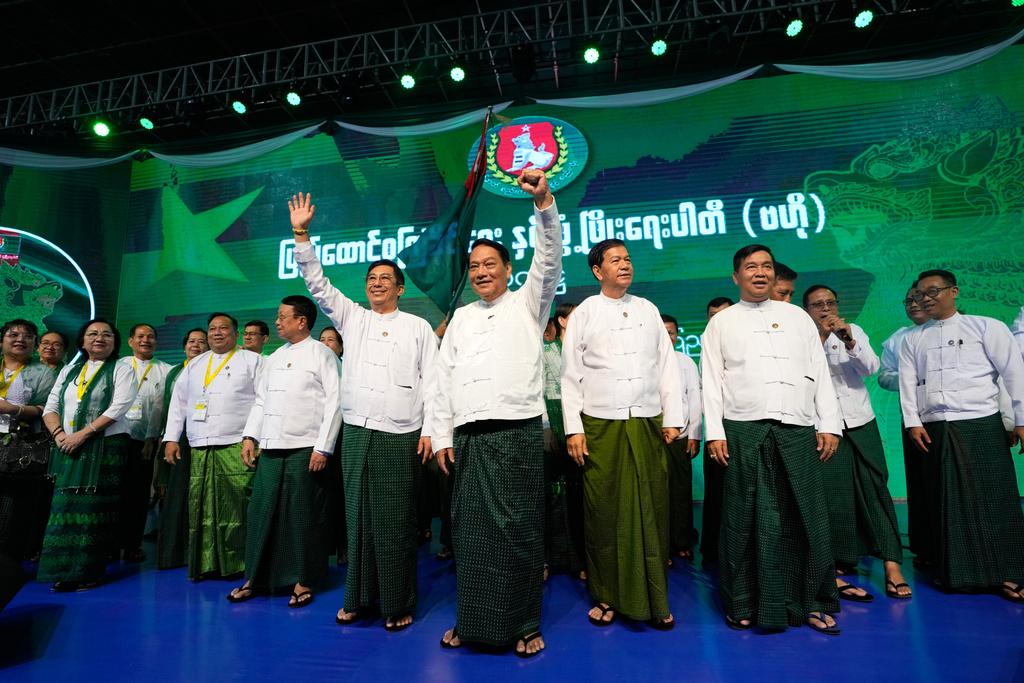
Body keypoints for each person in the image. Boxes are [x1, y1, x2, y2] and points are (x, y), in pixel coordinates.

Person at [289, 192, 438, 632]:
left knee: (396, 522)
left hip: (402, 433)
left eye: (385, 278)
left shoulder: (418, 327)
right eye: (371, 278)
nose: (376, 283)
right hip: (356, 431)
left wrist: (430, 429)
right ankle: (357, 598)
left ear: (400, 288)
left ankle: (396, 601)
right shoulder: (352, 317)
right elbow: (317, 284)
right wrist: (301, 234)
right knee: (357, 519)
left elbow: (433, 383)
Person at [433, 168, 561, 658]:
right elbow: (442, 381)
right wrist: (442, 437)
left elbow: (548, 257)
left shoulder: (528, 304)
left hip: (516, 433)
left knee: (518, 529)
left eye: (491, 264)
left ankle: (524, 623)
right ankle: (472, 621)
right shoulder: (461, 318)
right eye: (475, 266)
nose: (482, 271)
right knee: (469, 534)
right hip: (467, 438)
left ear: (508, 269)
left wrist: (543, 204)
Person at [701, 245, 842, 634]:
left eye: (766, 266)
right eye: (751, 267)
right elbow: (711, 380)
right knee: (743, 519)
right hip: (743, 429)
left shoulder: (797, 318)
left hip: (797, 428)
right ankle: (743, 602)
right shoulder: (722, 322)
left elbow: (819, 371)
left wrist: (829, 423)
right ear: (737, 277)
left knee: (805, 516)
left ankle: (810, 600)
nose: (760, 272)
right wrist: (715, 432)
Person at [561, 240, 683, 632]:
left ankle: (655, 598)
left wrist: (673, 417)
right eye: (615, 260)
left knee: (651, 508)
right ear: (598, 271)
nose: (625, 265)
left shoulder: (647, 309)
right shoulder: (585, 312)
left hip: (647, 422)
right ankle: (607, 595)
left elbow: (666, 367)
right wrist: (574, 428)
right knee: (604, 511)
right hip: (601, 425)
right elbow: (570, 375)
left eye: (627, 259)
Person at [899, 269, 1024, 603]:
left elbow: (1014, 374)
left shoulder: (986, 327)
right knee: (946, 502)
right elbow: (907, 384)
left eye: (933, 291)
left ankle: (1008, 574)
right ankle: (957, 574)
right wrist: (913, 422)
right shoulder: (912, 338)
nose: (925, 299)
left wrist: (1021, 420)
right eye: (920, 294)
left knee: (995, 499)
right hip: (935, 427)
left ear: (953, 291)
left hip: (981, 422)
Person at [227, 295, 342, 608]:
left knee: (304, 515)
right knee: (261, 512)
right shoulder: (275, 356)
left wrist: (323, 447)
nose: (276, 322)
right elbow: (261, 400)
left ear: (301, 321)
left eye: (282, 316)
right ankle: (255, 577)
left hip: (306, 448)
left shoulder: (321, 354)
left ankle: (304, 579)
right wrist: (250, 435)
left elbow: (336, 402)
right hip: (271, 448)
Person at [803, 285, 910, 600]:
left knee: (876, 488)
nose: (826, 308)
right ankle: (842, 557)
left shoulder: (854, 330)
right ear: (806, 310)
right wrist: (822, 338)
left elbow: (871, 368)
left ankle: (892, 565)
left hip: (860, 421)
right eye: (818, 304)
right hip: (823, 427)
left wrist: (848, 340)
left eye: (830, 302)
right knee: (833, 495)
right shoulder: (802, 337)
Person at [38, 319, 137, 591]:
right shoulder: (69, 371)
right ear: (82, 341)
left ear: (115, 342)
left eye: (107, 335)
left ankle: (88, 572)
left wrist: (83, 434)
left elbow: (120, 406)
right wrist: (59, 434)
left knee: (95, 512)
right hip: (68, 446)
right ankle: (63, 571)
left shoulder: (122, 368)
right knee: (64, 510)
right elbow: (50, 406)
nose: (99, 338)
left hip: (106, 447)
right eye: (92, 334)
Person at [164, 313, 262, 581]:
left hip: (238, 443)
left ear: (236, 333)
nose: (217, 333)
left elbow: (263, 401)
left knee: (238, 504)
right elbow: (179, 403)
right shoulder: (195, 364)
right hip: (200, 444)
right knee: (202, 507)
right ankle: (207, 564)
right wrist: (171, 438)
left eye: (223, 328)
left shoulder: (253, 360)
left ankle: (240, 564)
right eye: (212, 329)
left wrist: (252, 436)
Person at [878, 282, 932, 566]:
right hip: (913, 420)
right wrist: (911, 378)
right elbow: (883, 377)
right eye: (908, 300)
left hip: (954, 419)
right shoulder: (898, 338)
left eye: (918, 298)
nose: (912, 304)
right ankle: (925, 548)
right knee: (919, 486)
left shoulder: (958, 329)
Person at [116, 324, 173, 563]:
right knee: (114, 493)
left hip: (144, 442)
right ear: (130, 341)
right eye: (140, 336)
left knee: (138, 494)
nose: (145, 340)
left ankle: (132, 544)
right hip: (115, 437)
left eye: (150, 336)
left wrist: (152, 438)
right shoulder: (118, 366)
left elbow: (161, 409)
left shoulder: (166, 370)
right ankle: (109, 546)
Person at [0, 320, 56, 559]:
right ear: (2, 341)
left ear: (34, 344)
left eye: (27, 336)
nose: (20, 340)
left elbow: (46, 408)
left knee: (12, 508)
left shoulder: (43, 372)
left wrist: (14, 410)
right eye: (13, 335)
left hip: (19, 447)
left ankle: (8, 561)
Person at [154, 328, 208, 570]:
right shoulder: (174, 372)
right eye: (191, 341)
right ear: (184, 346)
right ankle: (174, 553)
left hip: (204, 434)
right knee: (177, 492)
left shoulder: (213, 368)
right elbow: (169, 407)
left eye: (201, 342)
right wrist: (167, 437)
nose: (195, 345)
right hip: (178, 437)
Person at [542, 301, 585, 581]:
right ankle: (547, 558)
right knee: (550, 493)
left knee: (579, 494)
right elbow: (537, 389)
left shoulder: (584, 351)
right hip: (553, 420)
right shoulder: (545, 351)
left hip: (581, 420)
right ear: (562, 321)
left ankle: (580, 559)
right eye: (576, 316)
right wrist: (546, 425)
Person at [662, 314, 702, 563]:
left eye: (672, 332)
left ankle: (681, 541)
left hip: (681, 436)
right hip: (653, 437)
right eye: (663, 332)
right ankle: (661, 544)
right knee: (657, 493)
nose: (668, 337)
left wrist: (695, 435)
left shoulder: (686, 361)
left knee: (681, 491)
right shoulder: (645, 360)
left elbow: (694, 398)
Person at [699, 297, 732, 563]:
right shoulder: (706, 343)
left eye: (724, 314)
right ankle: (714, 547)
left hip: (742, 425)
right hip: (716, 428)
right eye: (713, 315)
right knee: (716, 490)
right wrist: (713, 432)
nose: (718, 319)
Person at [317, 325, 347, 564]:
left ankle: (343, 546)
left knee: (339, 495)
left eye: (330, 340)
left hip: (340, 438)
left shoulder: (348, 368)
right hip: (313, 438)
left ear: (341, 347)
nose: (325, 344)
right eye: (322, 339)